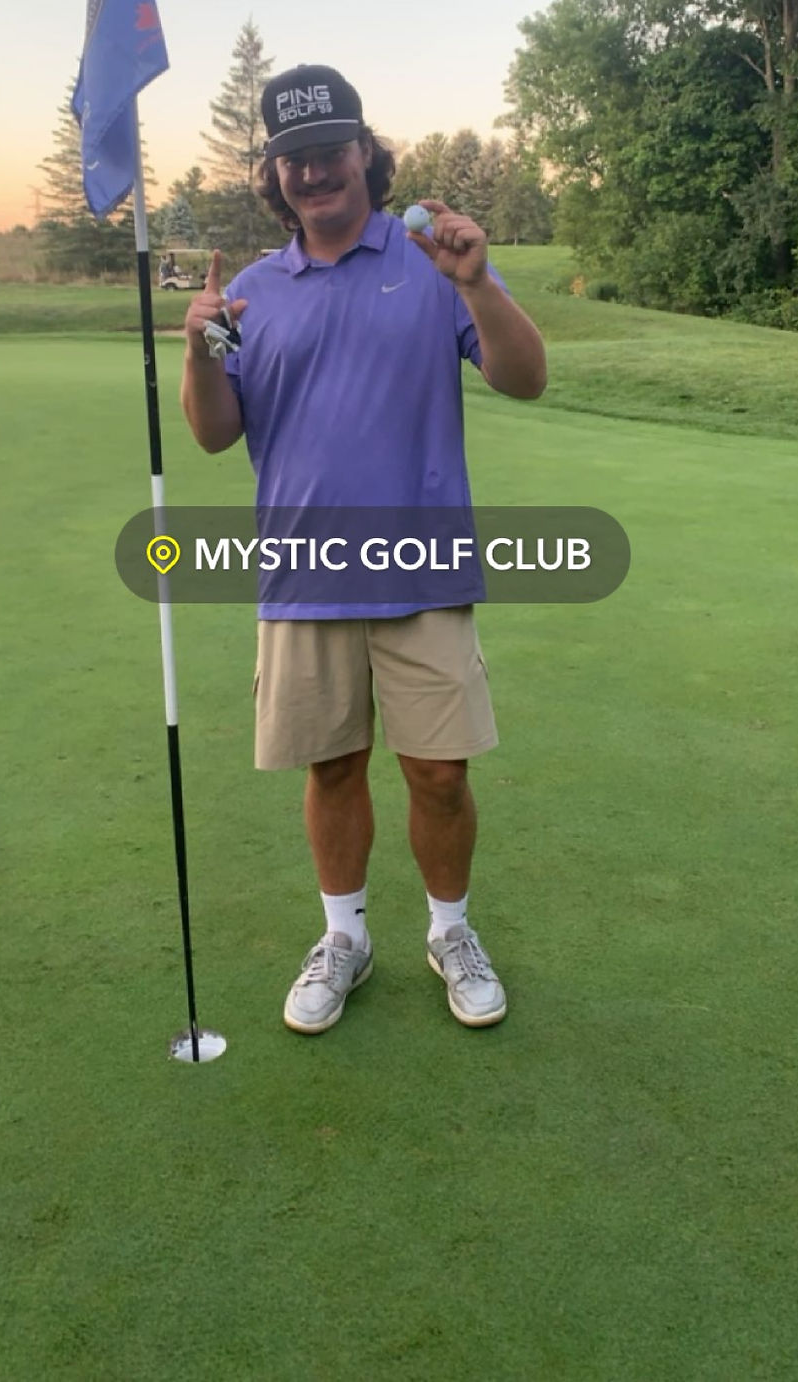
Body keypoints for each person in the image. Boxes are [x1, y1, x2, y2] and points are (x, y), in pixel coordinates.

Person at [181, 64, 546, 1035]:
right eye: (292, 159)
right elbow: (214, 431)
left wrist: (476, 287)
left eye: (329, 151)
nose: (312, 173)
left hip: (420, 570)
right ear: (273, 174)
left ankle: (447, 929)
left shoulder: (433, 260)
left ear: (365, 155)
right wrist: (196, 349)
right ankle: (344, 935)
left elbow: (524, 377)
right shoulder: (252, 293)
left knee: (439, 772)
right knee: (331, 765)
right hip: (300, 574)